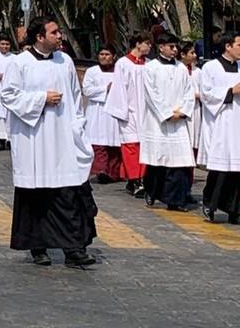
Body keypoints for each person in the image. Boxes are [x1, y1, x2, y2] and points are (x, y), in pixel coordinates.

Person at [0, 17, 97, 269]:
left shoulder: (65, 61)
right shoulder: (19, 63)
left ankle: (73, 249)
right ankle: (37, 246)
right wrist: (41, 99)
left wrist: (78, 127)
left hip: (63, 137)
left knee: (68, 193)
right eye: (54, 32)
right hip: (33, 139)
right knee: (36, 194)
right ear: (39, 37)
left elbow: (76, 97)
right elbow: (8, 96)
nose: (60, 35)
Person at [198, 32, 240, 225]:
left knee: (239, 168)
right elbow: (206, 94)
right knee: (221, 167)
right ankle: (210, 204)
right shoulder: (211, 67)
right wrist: (230, 91)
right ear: (228, 46)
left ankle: (238, 211)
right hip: (221, 123)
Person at [140, 33, 197, 211]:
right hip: (159, 122)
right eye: (171, 47)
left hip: (179, 121)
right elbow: (151, 94)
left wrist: (183, 111)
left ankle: (175, 199)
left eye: (176, 47)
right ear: (161, 47)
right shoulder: (151, 68)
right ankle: (152, 190)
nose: (175, 50)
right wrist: (166, 113)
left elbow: (189, 92)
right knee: (158, 159)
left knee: (179, 162)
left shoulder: (181, 68)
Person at [104, 32, 151, 197]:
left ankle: (142, 178)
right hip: (129, 111)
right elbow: (119, 88)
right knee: (131, 146)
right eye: (147, 43)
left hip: (146, 111)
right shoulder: (123, 64)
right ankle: (135, 179)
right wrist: (121, 111)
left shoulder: (149, 64)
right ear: (137, 44)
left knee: (144, 146)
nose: (149, 47)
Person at [82, 46, 123, 185]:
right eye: (101, 54)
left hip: (114, 111)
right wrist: (105, 89)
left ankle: (114, 173)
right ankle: (101, 171)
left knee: (114, 143)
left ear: (114, 56)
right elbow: (87, 90)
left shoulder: (120, 71)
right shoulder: (92, 71)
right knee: (99, 143)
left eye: (107, 54)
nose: (104, 57)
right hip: (97, 111)